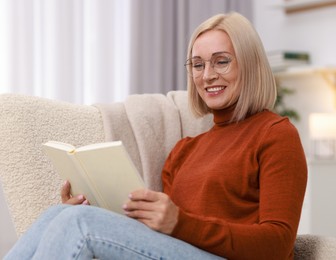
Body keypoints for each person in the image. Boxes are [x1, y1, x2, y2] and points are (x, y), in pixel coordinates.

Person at [5, 12, 307, 260]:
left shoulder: (276, 135)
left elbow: (277, 244)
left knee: (79, 223)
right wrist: (99, 207)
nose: (207, 75)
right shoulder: (185, 149)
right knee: (59, 214)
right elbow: (162, 238)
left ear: (250, 64)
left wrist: (180, 222)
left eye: (221, 61)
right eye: (198, 65)